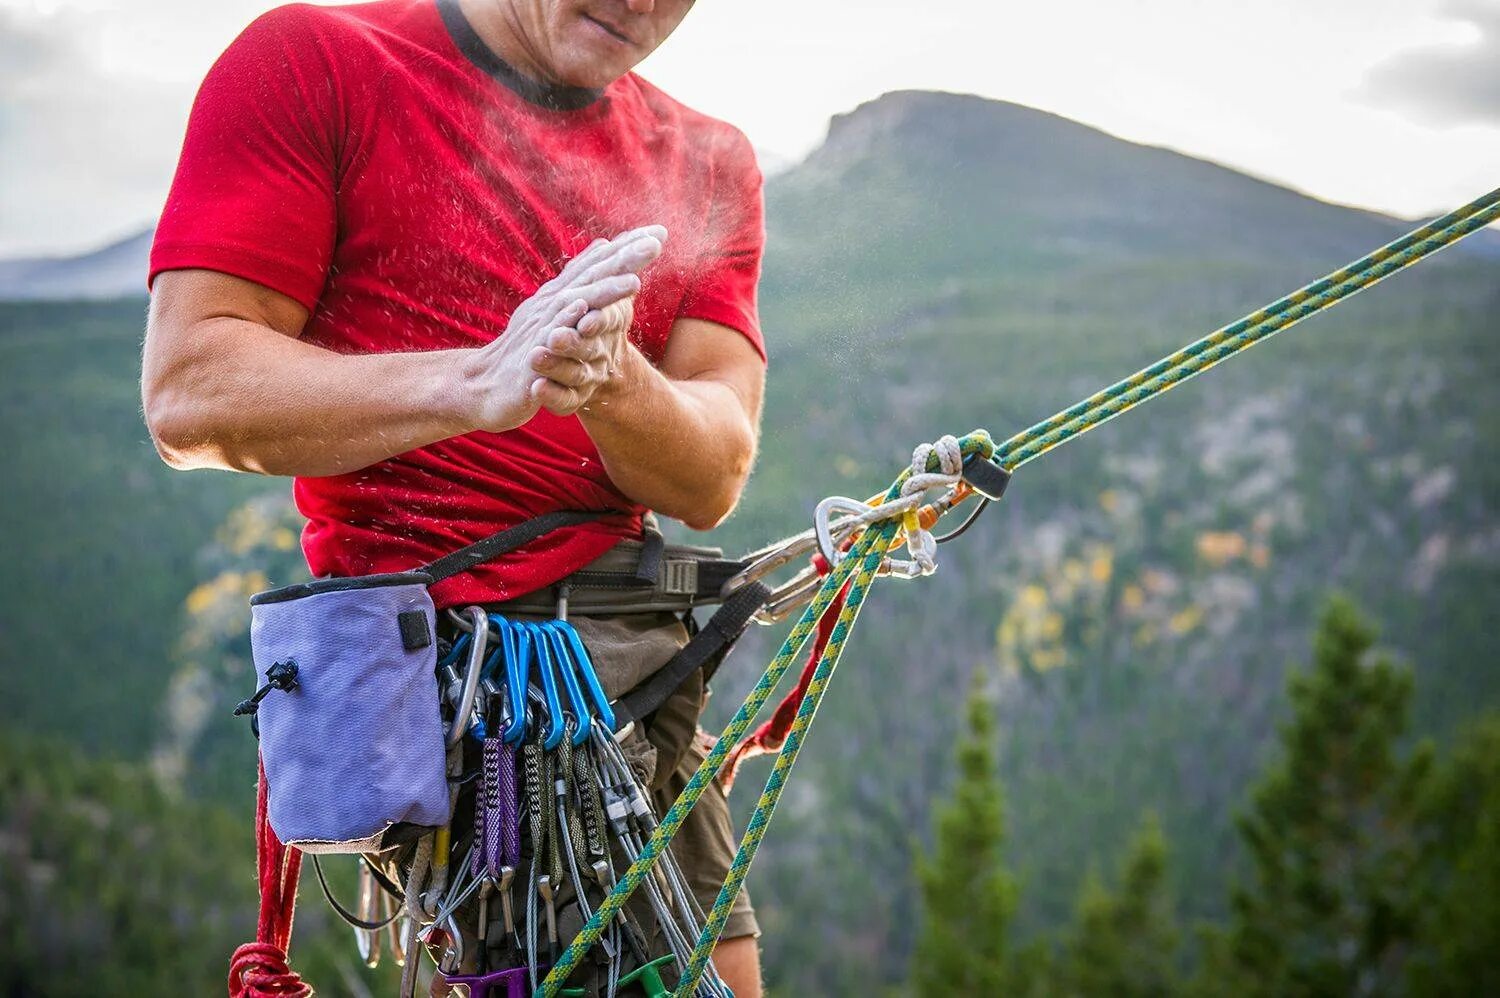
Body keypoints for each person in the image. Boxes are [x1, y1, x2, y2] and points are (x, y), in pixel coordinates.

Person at [141, 0, 766, 994]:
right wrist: (475, 384)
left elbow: (711, 473)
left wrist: (612, 381)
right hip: (478, 697)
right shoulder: (317, 63)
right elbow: (191, 389)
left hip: (639, 683)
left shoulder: (707, 162)